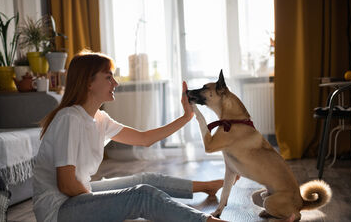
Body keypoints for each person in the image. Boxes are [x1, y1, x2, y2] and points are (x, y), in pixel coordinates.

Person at [32, 50, 227, 222]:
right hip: (59, 211)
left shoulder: (100, 119)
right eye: (109, 77)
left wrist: (186, 117)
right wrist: (106, 204)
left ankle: (207, 186)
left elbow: (144, 139)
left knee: (145, 179)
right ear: (88, 83)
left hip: (79, 196)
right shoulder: (69, 118)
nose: (115, 83)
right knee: (142, 195)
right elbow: (66, 184)